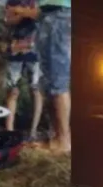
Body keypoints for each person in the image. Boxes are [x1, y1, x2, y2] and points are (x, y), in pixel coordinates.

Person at [4, 0, 43, 140]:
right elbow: (8, 19)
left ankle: (33, 131)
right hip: (16, 48)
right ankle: (9, 131)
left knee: (36, 90)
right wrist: (26, 12)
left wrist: (18, 11)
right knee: (12, 90)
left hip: (35, 49)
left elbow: (38, 15)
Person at [36, 0, 71, 152]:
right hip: (49, 13)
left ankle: (63, 141)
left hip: (59, 12)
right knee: (50, 80)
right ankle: (56, 137)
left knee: (58, 80)